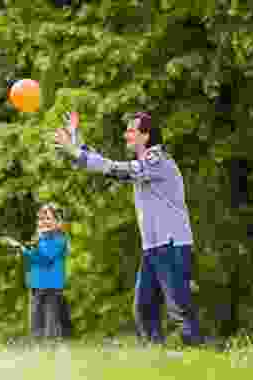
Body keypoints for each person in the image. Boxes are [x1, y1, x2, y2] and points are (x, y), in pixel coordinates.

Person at [53, 111, 203, 347]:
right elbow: (104, 164)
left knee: (180, 308)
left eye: (131, 130)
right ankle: (157, 355)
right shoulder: (146, 163)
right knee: (144, 308)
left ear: (146, 136)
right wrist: (75, 138)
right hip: (153, 247)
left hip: (172, 244)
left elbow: (114, 169)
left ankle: (198, 353)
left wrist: (74, 151)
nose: (126, 135)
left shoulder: (158, 161)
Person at [2, 203, 70, 341]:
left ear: (58, 222)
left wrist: (26, 248)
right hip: (36, 286)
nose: (43, 222)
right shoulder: (40, 239)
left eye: (48, 218)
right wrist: (21, 248)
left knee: (50, 325)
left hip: (52, 288)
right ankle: (38, 352)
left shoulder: (60, 240)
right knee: (35, 324)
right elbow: (34, 258)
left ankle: (51, 351)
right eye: (41, 219)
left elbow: (45, 258)